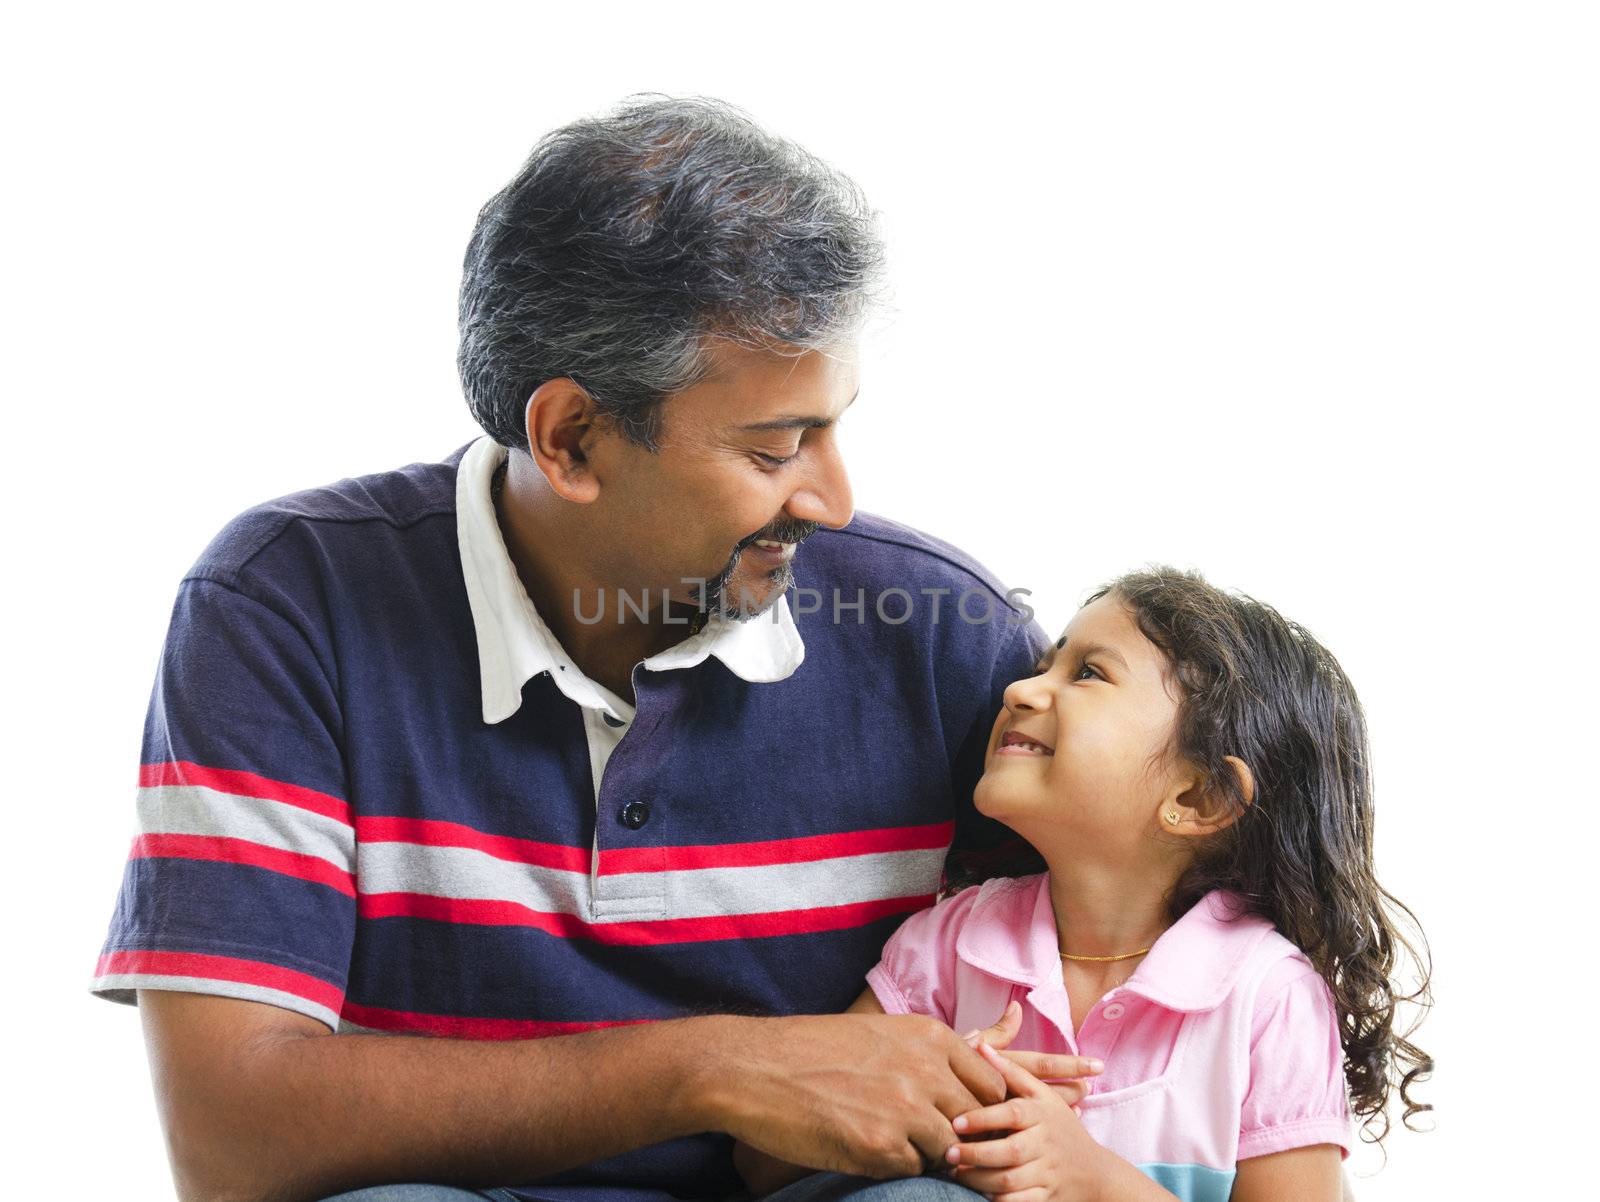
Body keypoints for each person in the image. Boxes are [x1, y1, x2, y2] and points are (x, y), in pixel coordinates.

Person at [88, 95, 1095, 1202]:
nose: (835, 499)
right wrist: (710, 1068)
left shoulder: (946, 632)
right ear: (569, 437)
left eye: (833, 423)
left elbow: (1182, 977)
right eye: (773, 449)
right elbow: (234, 1141)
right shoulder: (283, 603)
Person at [732, 568, 1433, 1202]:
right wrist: (927, 1102)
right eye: (1045, 664)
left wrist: (1091, 1180)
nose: (1020, 688)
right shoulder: (952, 944)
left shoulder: (1266, 997)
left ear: (1199, 799)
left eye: (1088, 673)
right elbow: (764, 1161)